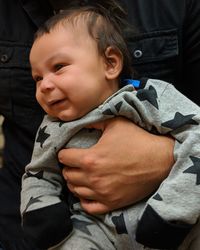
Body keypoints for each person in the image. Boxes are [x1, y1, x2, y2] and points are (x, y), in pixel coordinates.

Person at [0, 0, 199, 249]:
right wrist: (42, 216)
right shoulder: (51, 126)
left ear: (110, 63)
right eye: (37, 78)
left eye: (58, 67)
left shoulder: (147, 97)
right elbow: (38, 173)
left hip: (168, 222)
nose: (44, 86)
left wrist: (169, 202)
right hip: (90, 226)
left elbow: (196, 135)